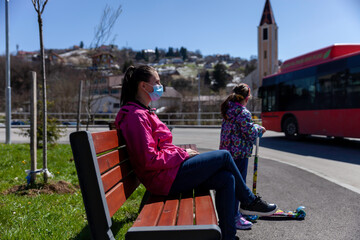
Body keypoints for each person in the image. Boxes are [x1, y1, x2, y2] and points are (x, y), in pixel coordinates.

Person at [115, 65, 277, 240]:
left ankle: (229, 236)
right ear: (143, 86)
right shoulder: (136, 116)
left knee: (227, 178)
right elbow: (149, 159)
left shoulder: (144, 113)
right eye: (157, 82)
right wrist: (182, 154)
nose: (161, 86)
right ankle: (249, 201)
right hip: (163, 179)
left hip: (167, 174)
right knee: (224, 156)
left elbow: (159, 148)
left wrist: (181, 151)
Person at [220, 83, 266, 229]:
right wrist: (259, 128)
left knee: (231, 185)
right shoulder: (243, 112)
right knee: (238, 186)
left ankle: (233, 214)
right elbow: (250, 132)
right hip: (239, 154)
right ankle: (234, 217)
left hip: (228, 153)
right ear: (246, 98)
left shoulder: (228, 109)